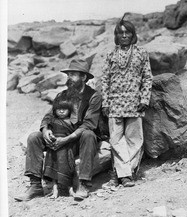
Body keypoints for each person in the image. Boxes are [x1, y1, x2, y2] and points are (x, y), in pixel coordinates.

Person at [15, 57, 102, 202]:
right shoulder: (62, 95)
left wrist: (67, 139)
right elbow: (48, 116)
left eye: (74, 75)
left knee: (89, 135)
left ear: (84, 77)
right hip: (59, 135)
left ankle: (84, 183)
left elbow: (89, 123)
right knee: (33, 137)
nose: (70, 78)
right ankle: (35, 185)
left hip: (77, 140)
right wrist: (45, 129)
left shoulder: (94, 97)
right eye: (69, 75)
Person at [101, 14, 153, 187]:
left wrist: (144, 98)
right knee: (116, 140)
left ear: (133, 34)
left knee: (135, 140)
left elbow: (147, 77)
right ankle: (124, 174)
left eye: (127, 32)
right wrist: (106, 102)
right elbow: (105, 79)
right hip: (115, 104)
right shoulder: (110, 55)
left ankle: (123, 174)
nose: (124, 35)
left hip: (135, 103)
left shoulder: (141, 53)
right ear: (116, 36)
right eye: (120, 33)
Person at [42, 97, 77, 199]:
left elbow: (74, 136)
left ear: (69, 110)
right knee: (53, 165)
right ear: (54, 110)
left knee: (66, 164)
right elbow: (48, 132)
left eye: (64, 109)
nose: (61, 111)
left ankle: (70, 189)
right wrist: (51, 136)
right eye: (58, 109)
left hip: (66, 148)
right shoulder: (52, 121)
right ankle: (55, 190)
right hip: (53, 148)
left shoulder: (72, 121)